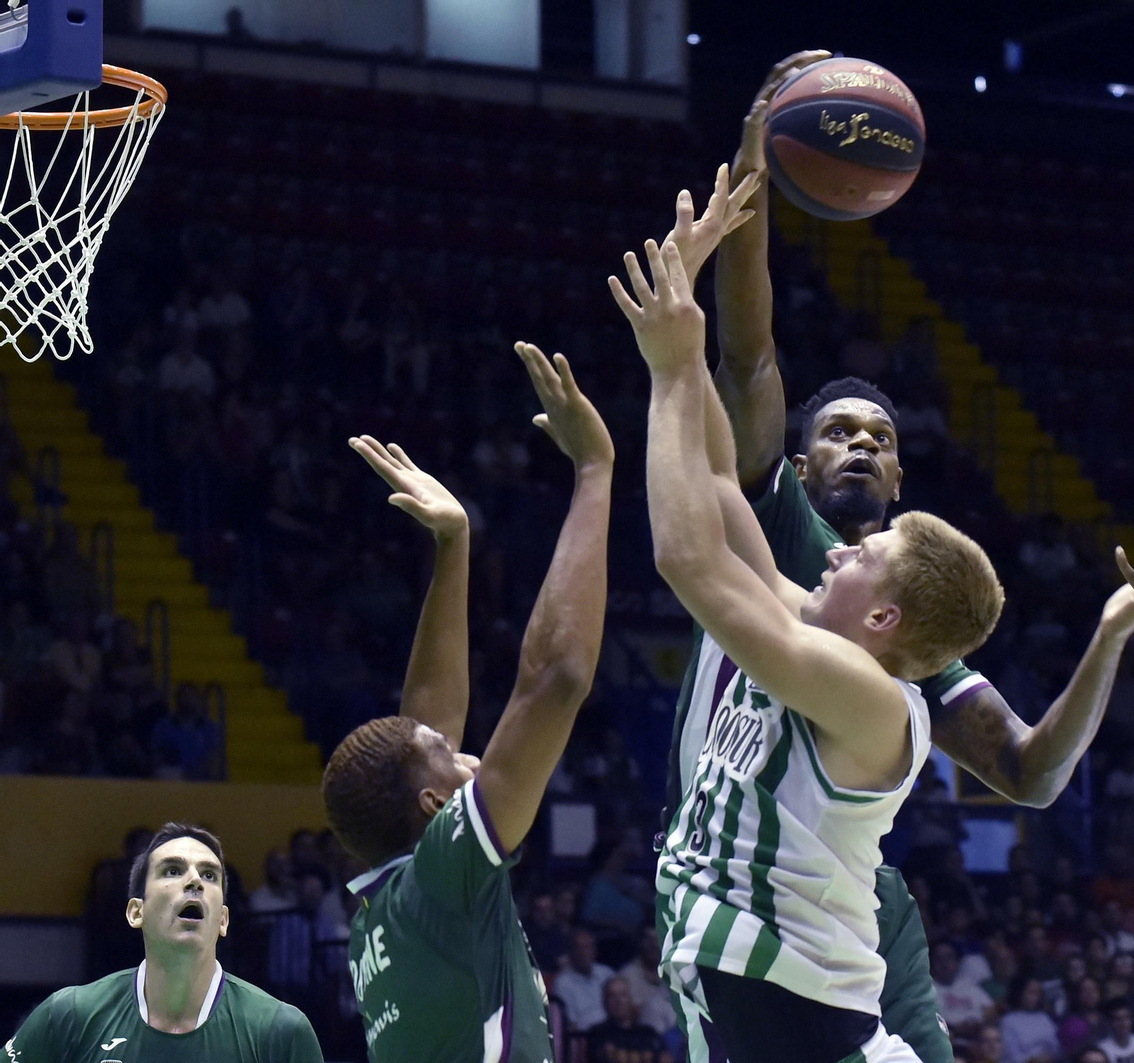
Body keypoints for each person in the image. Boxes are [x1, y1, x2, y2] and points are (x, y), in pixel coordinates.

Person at [659, 54, 1134, 1063]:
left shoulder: (908, 633)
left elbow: (1029, 773)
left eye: (882, 437)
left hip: (831, 907)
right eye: (840, 431)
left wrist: (1110, 634)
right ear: (796, 457)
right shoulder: (776, 521)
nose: (862, 443)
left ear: (902, 484)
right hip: (726, 876)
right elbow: (748, 352)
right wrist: (754, 159)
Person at [615, 229, 1009, 1062]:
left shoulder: (869, 697)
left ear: (883, 621)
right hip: (761, 998)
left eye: (862, 556)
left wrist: (665, 372)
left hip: (797, 1018)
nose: (836, 549)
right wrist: (689, 342)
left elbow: (688, 557)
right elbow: (722, 488)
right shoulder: (819, 631)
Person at [320, 340, 613, 1062]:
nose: (469, 751)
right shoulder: (440, 881)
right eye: (450, 758)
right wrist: (595, 472)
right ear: (432, 810)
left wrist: (453, 545)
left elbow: (421, 725)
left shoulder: (386, 909)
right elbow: (557, 678)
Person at [5, 823, 321, 1060]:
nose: (195, 880)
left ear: (223, 920)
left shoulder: (282, 1032)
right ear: (135, 912)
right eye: (172, 870)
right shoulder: (68, 1016)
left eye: (210, 875)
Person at [587, 976, 672, 1063]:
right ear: (605, 1001)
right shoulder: (597, 1034)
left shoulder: (649, 1033)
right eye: (612, 996)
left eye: (623, 995)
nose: (618, 1001)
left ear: (631, 999)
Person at [556, 929, 618, 1033]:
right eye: (579, 948)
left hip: (615, 1032)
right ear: (571, 951)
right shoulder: (562, 983)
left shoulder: (607, 973)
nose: (583, 952)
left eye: (588, 947)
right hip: (586, 1037)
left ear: (595, 950)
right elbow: (571, 1024)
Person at [1000, 978, 1060, 1063]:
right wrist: (1036, 1060)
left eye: (1037, 993)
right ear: (1020, 993)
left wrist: (1049, 1057)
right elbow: (1012, 1057)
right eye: (1031, 992)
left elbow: (1057, 1048)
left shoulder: (1044, 1018)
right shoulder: (1008, 1021)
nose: (1034, 997)